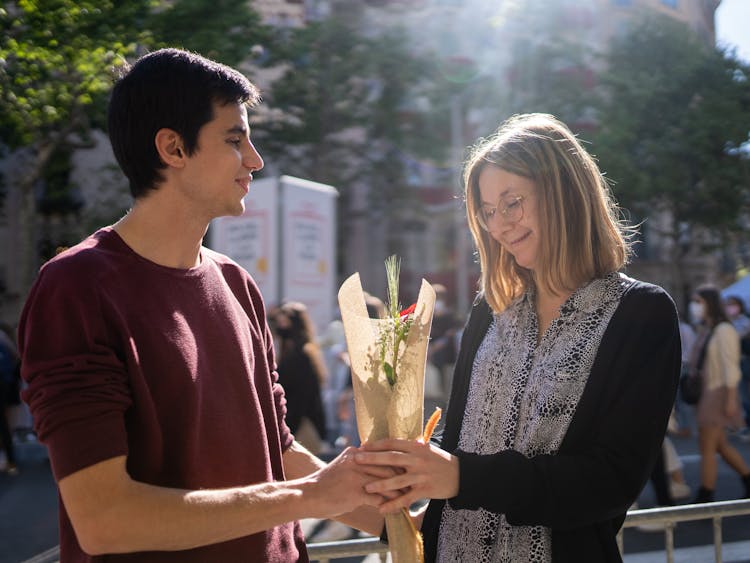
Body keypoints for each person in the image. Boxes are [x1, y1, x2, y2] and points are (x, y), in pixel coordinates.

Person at [17, 48, 387, 562]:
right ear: (172, 148)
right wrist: (313, 497)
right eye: (235, 140)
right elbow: (105, 521)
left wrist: (404, 524)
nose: (254, 160)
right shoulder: (76, 286)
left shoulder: (237, 283)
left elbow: (277, 452)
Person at [355, 113, 682, 562]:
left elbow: (611, 482)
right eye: (488, 211)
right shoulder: (490, 308)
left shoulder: (641, 313)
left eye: (512, 202)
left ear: (565, 193)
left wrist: (460, 476)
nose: (500, 225)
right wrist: (408, 464)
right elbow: (459, 444)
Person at [689, 285, 750, 503]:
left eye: (699, 301)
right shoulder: (709, 328)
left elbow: (730, 367)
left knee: (707, 446)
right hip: (710, 391)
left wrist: (731, 400)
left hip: (718, 392)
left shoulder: (724, 330)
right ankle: (746, 480)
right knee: (720, 445)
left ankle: (706, 495)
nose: (695, 306)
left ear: (709, 303)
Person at [270, 302, 328, 455]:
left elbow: (303, 397)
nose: (281, 327)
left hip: (301, 427)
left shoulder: (302, 355)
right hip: (291, 425)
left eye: (285, 323)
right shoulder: (287, 353)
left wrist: (287, 428)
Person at [725, 295, 750, 440]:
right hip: (735, 362)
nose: (731, 307)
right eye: (728, 304)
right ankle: (741, 425)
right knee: (742, 396)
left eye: (733, 304)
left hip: (745, 361)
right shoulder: (728, 323)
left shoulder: (745, 321)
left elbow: (736, 337)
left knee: (746, 396)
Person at [0, 323, 20, 475]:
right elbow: (15, 354)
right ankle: (11, 461)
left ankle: (9, 460)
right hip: (3, 383)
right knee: (3, 423)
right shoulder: (2, 334)